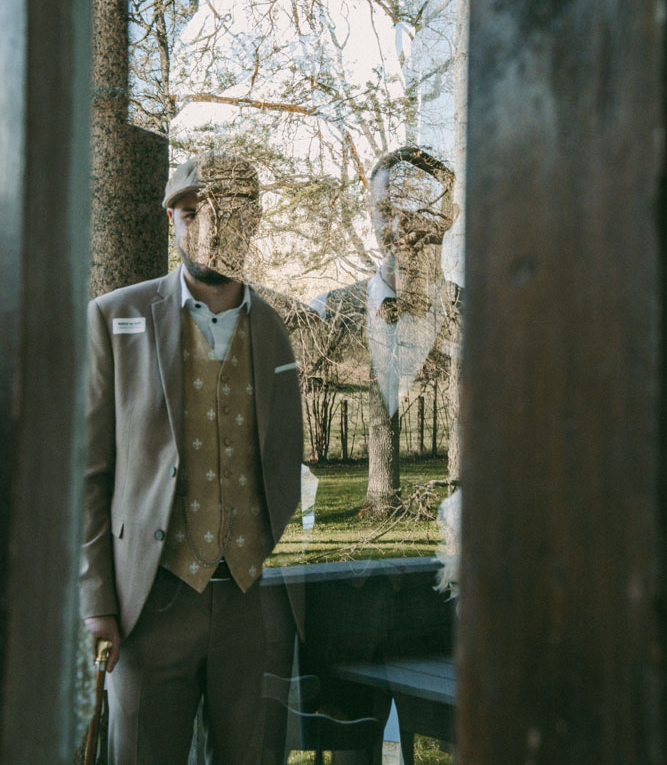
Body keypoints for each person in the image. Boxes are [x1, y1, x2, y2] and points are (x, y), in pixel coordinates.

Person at [80, 152, 303, 765]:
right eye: (191, 213)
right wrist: (99, 603)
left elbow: (285, 459)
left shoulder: (276, 330)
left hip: (246, 604)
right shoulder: (115, 317)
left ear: (253, 222)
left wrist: (256, 550)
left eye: (228, 213)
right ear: (171, 222)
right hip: (149, 605)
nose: (209, 227)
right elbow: (88, 477)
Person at [311, 146, 462, 508]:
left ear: (447, 218)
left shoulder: (479, 316)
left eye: (414, 212)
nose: (397, 228)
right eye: (384, 212)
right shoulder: (326, 310)